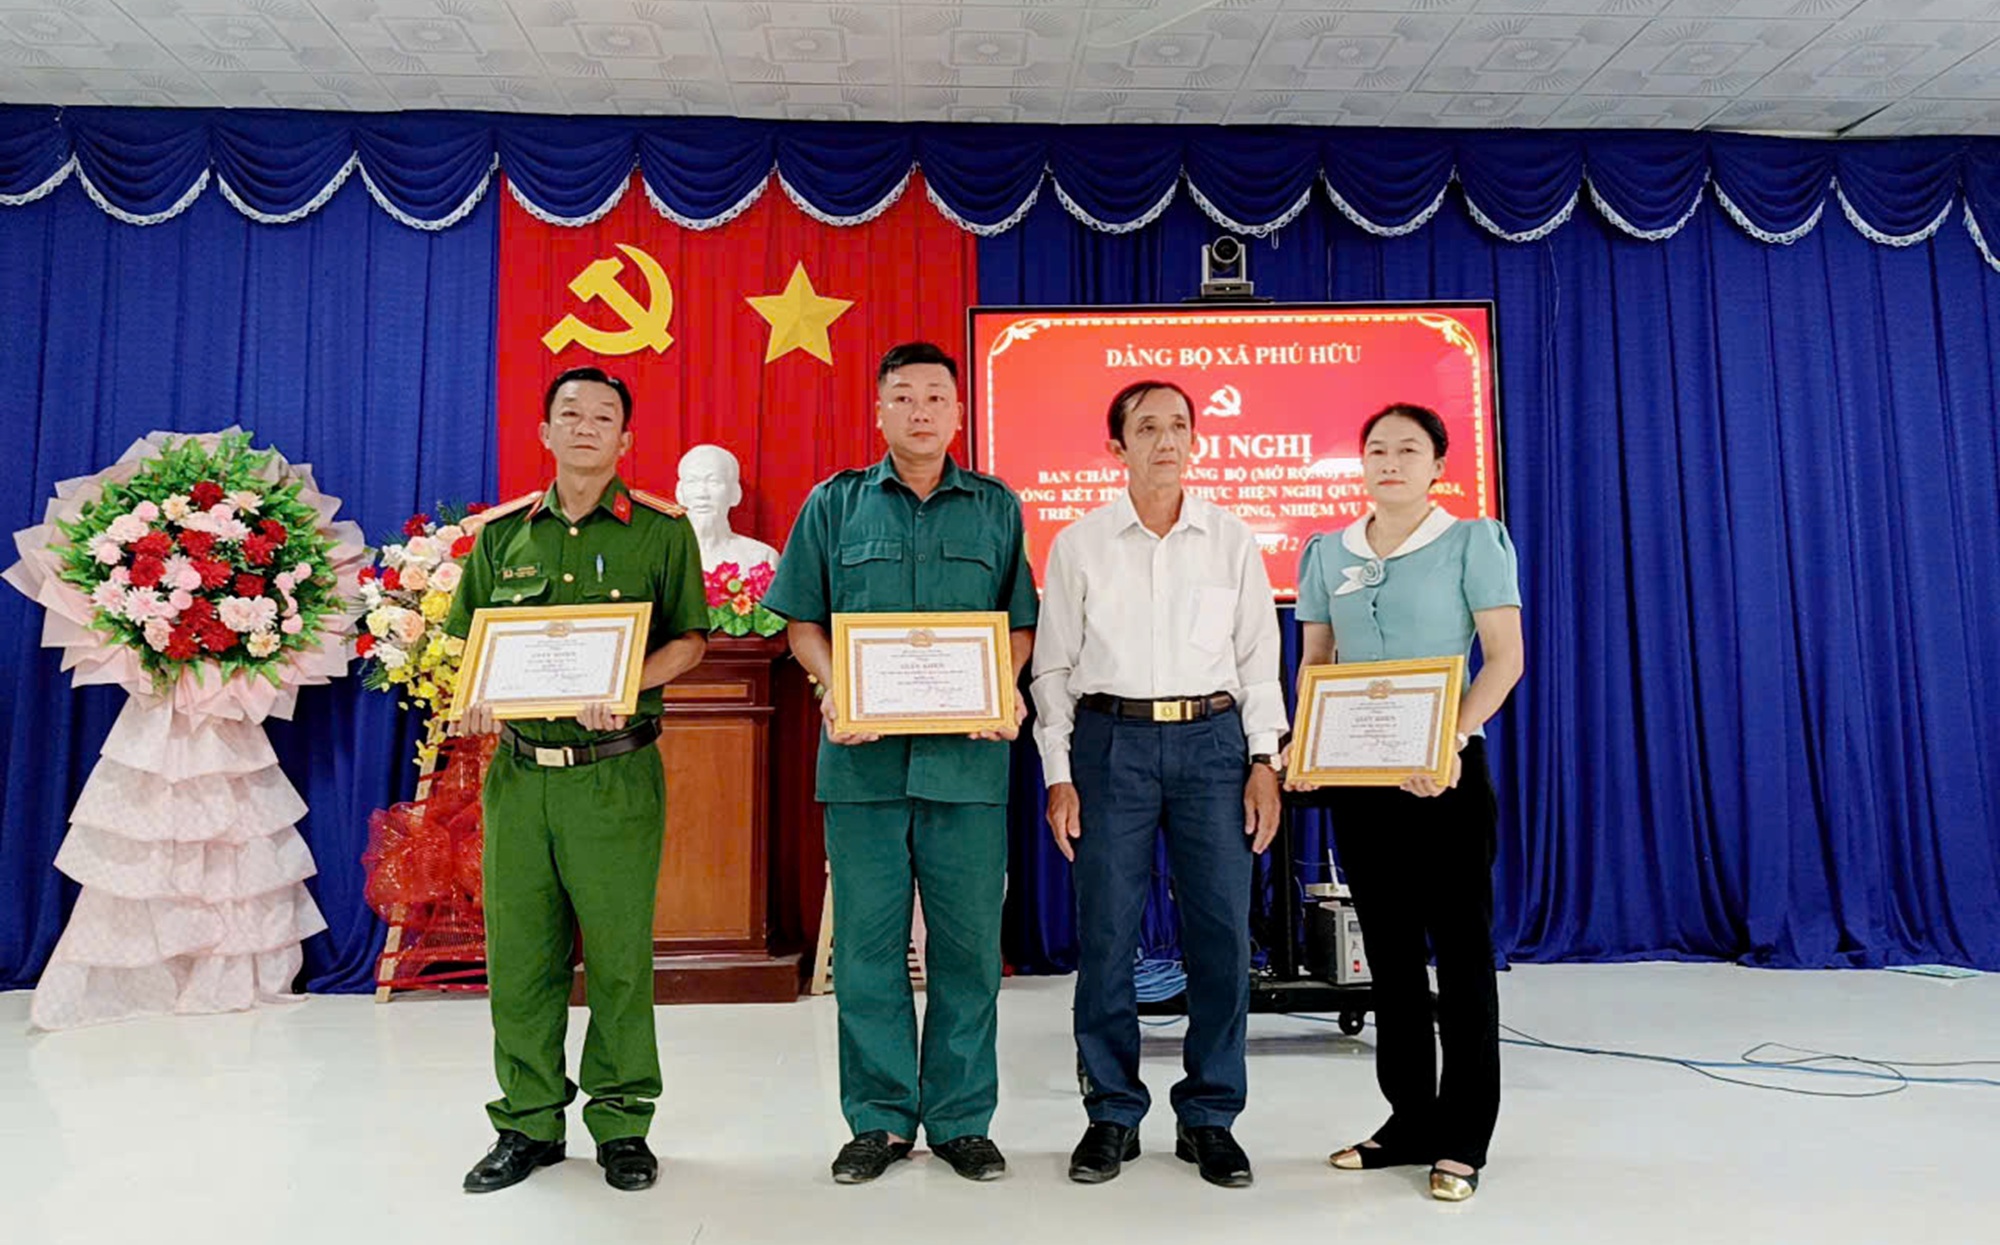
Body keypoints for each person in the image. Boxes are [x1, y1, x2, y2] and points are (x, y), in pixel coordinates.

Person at [762, 342, 1038, 1186]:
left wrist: (1005, 683)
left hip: (967, 769)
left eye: (935, 397)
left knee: (968, 951)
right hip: (864, 769)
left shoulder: (996, 507)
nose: (921, 411)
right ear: (878, 410)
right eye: (904, 397)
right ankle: (879, 1119)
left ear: (958, 412)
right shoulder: (834, 503)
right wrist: (835, 686)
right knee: (868, 952)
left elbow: (1018, 622)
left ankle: (961, 1120)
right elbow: (802, 620)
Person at [447, 366, 711, 1195]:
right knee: (520, 955)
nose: (586, 426)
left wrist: (630, 681)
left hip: (613, 773)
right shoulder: (503, 537)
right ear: (545, 431)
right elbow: (468, 642)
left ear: (626, 438)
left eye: (604, 416)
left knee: (619, 957)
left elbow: (690, 640)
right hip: (521, 774)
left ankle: (623, 1122)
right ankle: (527, 1123)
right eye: (570, 413)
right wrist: (476, 695)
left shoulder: (660, 532)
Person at [1029, 380, 1285, 1189]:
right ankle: (1111, 1111)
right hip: (1112, 744)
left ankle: (1210, 1115)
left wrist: (1265, 761)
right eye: (1147, 428)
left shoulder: (1232, 540)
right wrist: (1060, 774)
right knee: (1107, 933)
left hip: (1214, 744)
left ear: (1195, 441)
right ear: (1117, 447)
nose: (1166, 441)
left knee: (1221, 934)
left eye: (1179, 426)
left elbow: (1259, 662)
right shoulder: (1080, 544)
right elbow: (1052, 670)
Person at [1289, 402, 1524, 1202]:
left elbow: (1505, 658)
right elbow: (1317, 662)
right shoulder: (1327, 552)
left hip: (1447, 777)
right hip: (1362, 782)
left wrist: (1448, 738)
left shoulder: (1473, 540)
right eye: (1377, 450)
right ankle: (1409, 1120)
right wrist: (1306, 746)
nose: (1390, 462)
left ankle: (1464, 1135)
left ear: (1438, 466)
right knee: (1388, 958)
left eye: (1408, 450)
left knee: (1460, 956)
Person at [674, 443, 781, 573]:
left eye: (714, 482)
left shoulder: (761, 558)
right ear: (679, 493)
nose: (702, 494)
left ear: (735, 493)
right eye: (692, 482)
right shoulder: (658, 555)